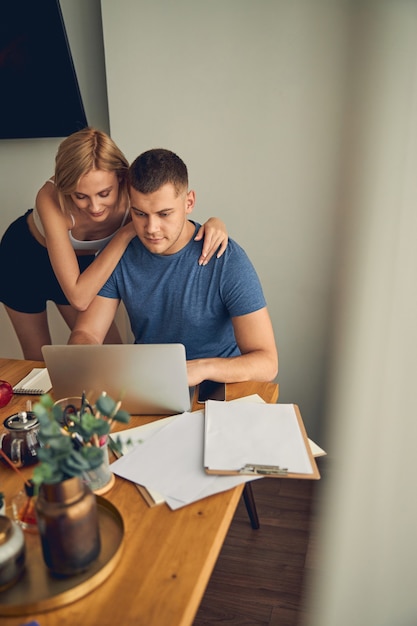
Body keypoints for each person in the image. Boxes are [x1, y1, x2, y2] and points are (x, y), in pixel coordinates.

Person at [0, 128, 229, 361]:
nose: (95, 207)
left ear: (122, 177)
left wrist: (214, 222)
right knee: (36, 359)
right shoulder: (49, 197)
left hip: (85, 264)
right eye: (80, 196)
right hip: (23, 259)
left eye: (104, 193)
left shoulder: (133, 191)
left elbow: (169, 214)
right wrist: (125, 233)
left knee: (110, 353)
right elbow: (79, 297)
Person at [69, 148, 278, 387]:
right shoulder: (120, 255)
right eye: (140, 214)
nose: (151, 228)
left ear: (189, 202)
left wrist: (201, 368)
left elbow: (267, 363)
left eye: (164, 214)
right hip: (152, 384)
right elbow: (87, 334)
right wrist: (85, 358)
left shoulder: (227, 258)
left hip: (220, 386)